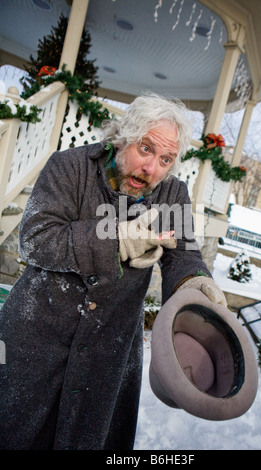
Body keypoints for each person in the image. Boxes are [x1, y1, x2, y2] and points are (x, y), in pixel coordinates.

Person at [0, 92, 226, 450]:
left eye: (166, 158)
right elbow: (36, 238)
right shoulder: (69, 166)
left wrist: (194, 282)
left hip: (109, 349)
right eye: (146, 149)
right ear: (122, 137)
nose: (151, 168)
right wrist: (116, 241)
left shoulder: (172, 195)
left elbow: (182, 254)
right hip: (37, 335)